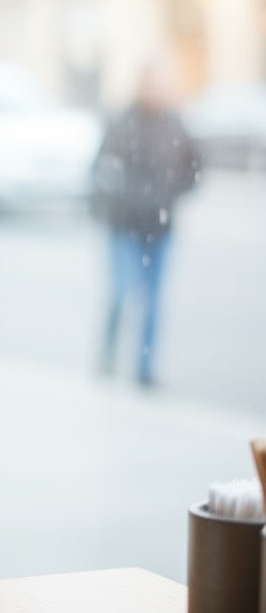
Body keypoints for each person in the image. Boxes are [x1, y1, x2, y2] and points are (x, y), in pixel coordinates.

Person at [92, 60, 201, 386]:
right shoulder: (122, 123)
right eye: (150, 84)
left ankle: (144, 370)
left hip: (160, 228)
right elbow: (100, 169)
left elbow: (195, 168)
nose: (155, 91)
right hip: (125, 226)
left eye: (160, 85)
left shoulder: (175, 126)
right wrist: (114, 201)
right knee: (121, 294)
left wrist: (171, 194)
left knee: (154, 302)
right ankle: (108, 355)